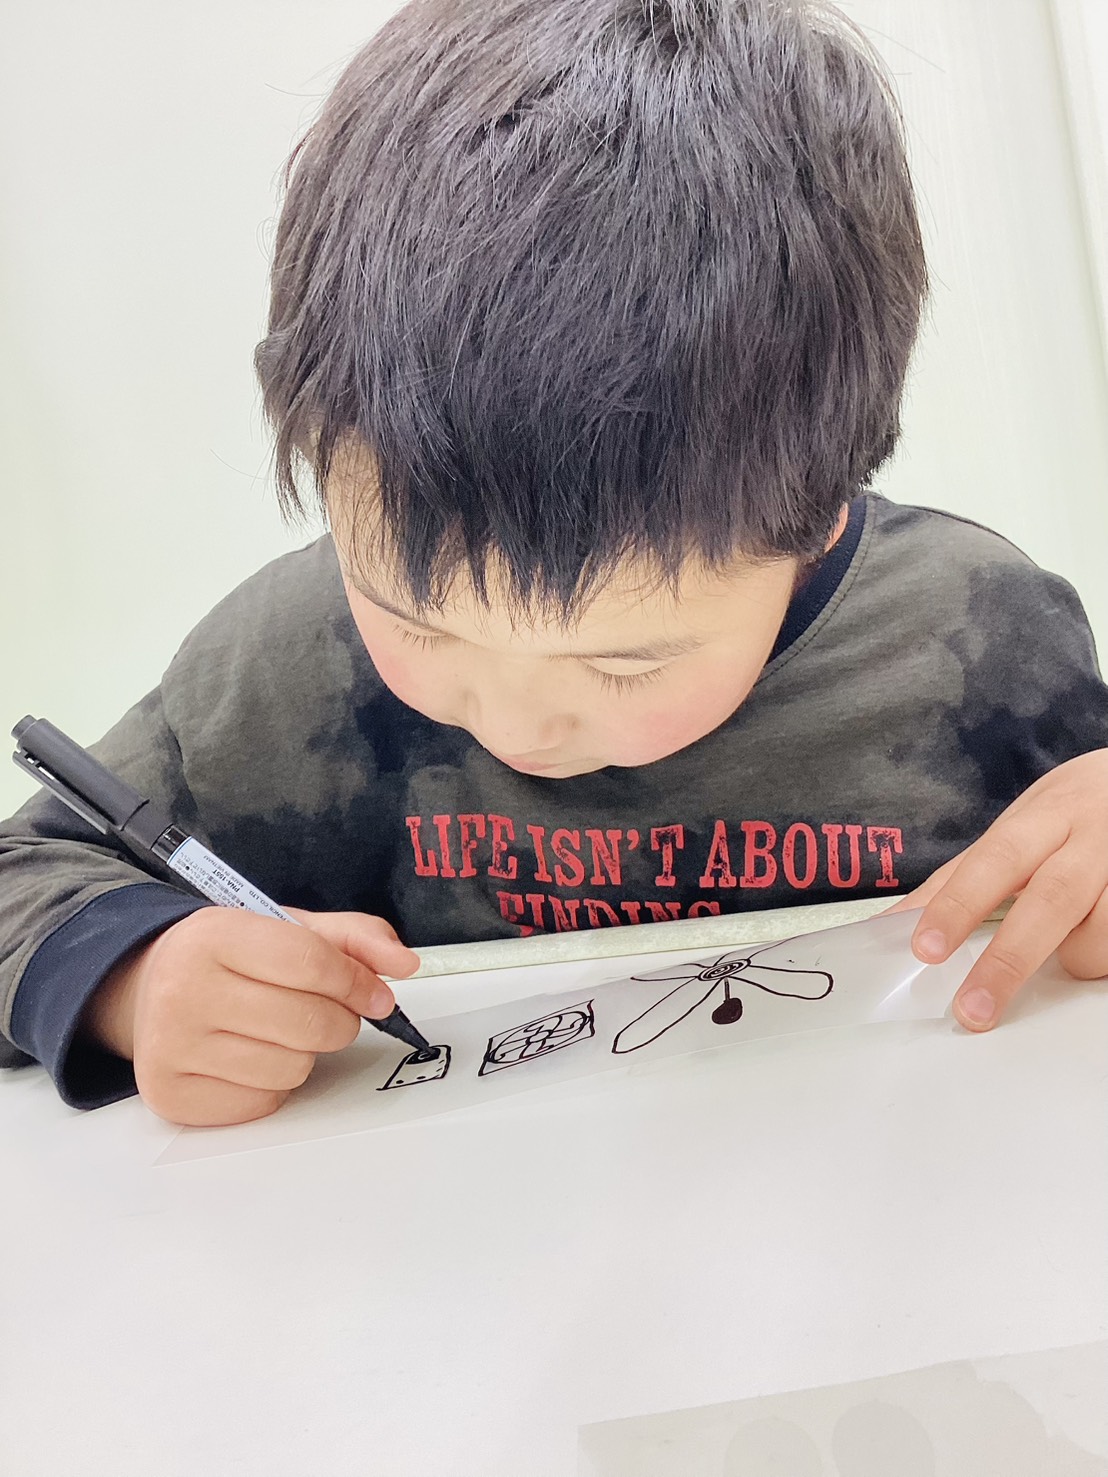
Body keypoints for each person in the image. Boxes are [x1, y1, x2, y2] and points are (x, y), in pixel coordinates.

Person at [2, 0, 1107, 1128]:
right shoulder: (280, 669)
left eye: (624, 664)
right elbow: (22, 876)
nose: (517, 722)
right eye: (418, 622)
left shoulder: (977, 639)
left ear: (818, 513)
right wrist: (134, 978)